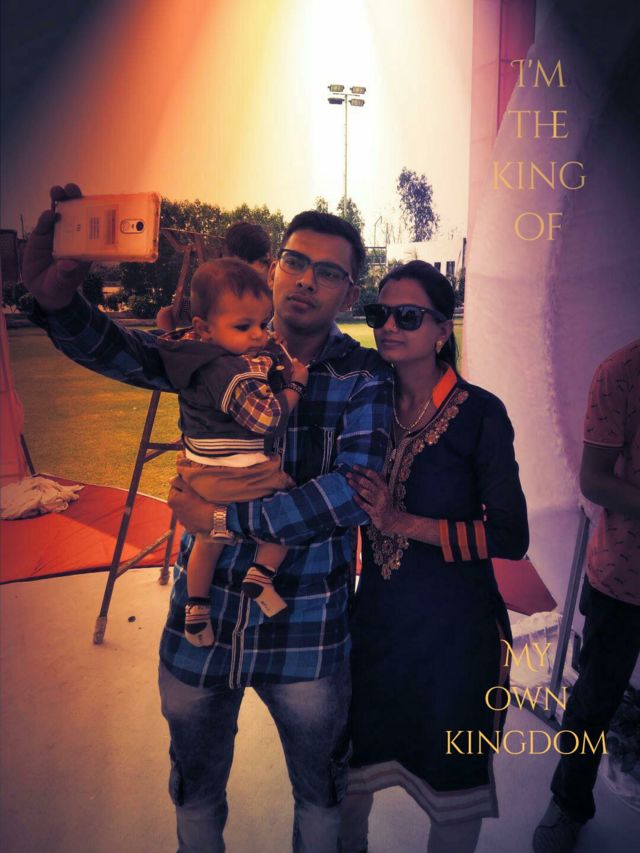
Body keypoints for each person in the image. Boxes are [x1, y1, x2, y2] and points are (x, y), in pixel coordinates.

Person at [22, 184, 392, 853]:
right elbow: (126, 353)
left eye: (328, 271)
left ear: (348, 292)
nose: (305, 280)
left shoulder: (363, 376)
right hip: (202, 629)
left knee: (320, 797)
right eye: (294, 261)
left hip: (306, 631)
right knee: (194, 793)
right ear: (273, 267)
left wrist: (220, 518)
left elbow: (347, 497)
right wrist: (58, 301)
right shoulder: (210, 351)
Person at [339, 261, 529, 853]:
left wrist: (401, 522)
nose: (388, 327)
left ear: (443, 330)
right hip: (377, 626)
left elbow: (511, 536)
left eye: (408, 316)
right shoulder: (367, 405)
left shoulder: (480, 414)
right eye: (379, 313)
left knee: (453, 789)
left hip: (456, 638)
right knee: (350, 778)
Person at [157, 257, 309, 646]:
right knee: (288, 515)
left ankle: (196, 609)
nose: (258, 335)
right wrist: (295, 385)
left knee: (207, 542)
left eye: (263, 323)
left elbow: (258, 345)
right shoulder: (231, 372)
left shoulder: (191, 356)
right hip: (242, 474)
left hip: (198, 474)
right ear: (204, 328)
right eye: (244, 327)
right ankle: (261, 575)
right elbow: (268, 419)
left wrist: (268, 346)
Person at [533, 340, 640, 853]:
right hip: (626, 576)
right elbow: (594, 480)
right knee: (594, 700)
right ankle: (569, 801)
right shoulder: (622, 371)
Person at [156, 219, 272, 332]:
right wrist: (168, 339)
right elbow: (167, 314)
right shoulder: (217, 299)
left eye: (264, 262)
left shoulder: (274, 303)